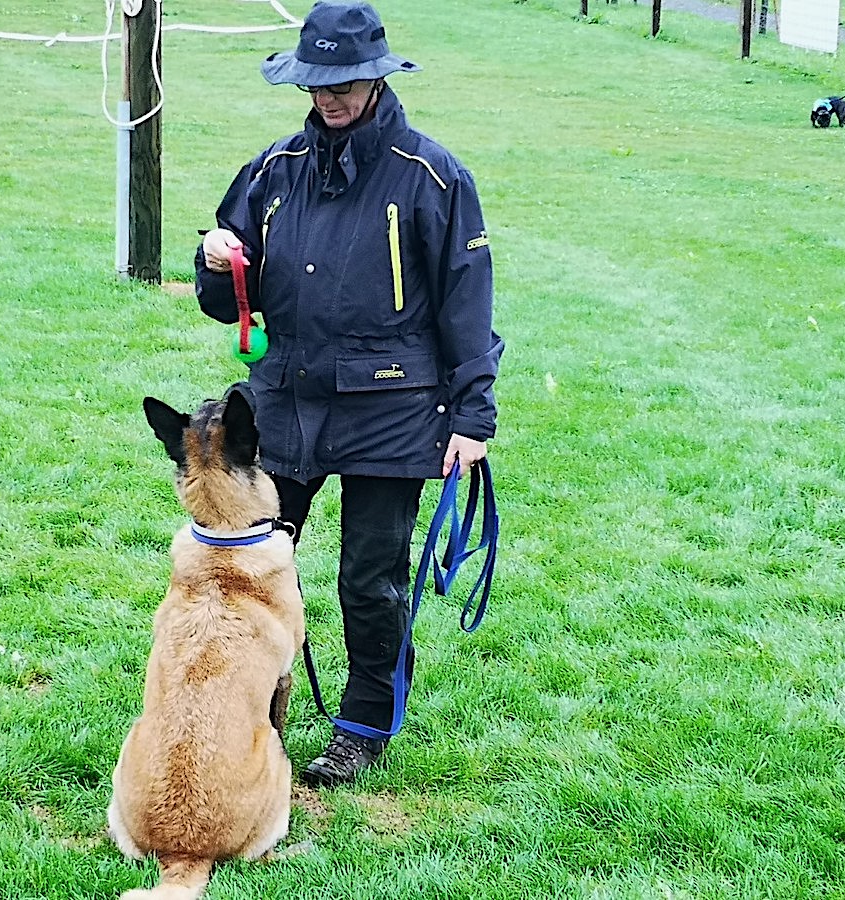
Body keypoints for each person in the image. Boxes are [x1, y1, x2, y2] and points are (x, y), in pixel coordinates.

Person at [194, 1, 503, 787]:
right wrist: (215, 261)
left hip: (394, 411)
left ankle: (362, 726)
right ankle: (254, 709)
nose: (330, 97)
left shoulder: (432, 176)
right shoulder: (271, 171)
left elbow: (467, 301)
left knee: (370, 577)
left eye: (346, 82)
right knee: (251, 565)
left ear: (375, 77)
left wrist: (472, 415)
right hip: (282, 402)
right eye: (318, 83)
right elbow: (226, 297)